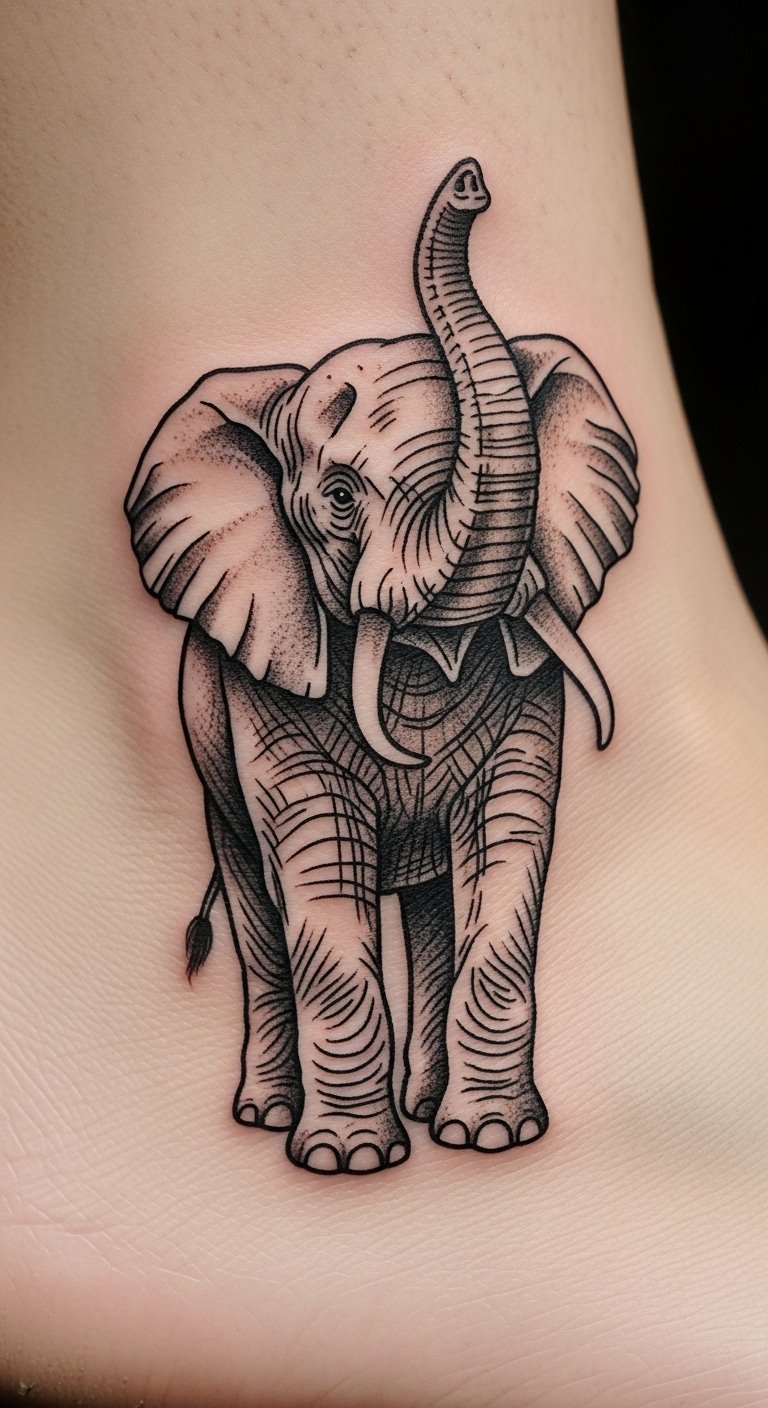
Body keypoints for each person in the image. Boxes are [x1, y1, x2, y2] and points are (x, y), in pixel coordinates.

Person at [1, 2, 765, 1404]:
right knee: (295, 899)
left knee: (497, 878)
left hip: (495, 680)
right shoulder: (256, 641)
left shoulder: (514, 617)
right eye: (351, 503)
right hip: (302, 717)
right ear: (259, 525)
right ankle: (308, 1078)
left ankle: (481, 1072)